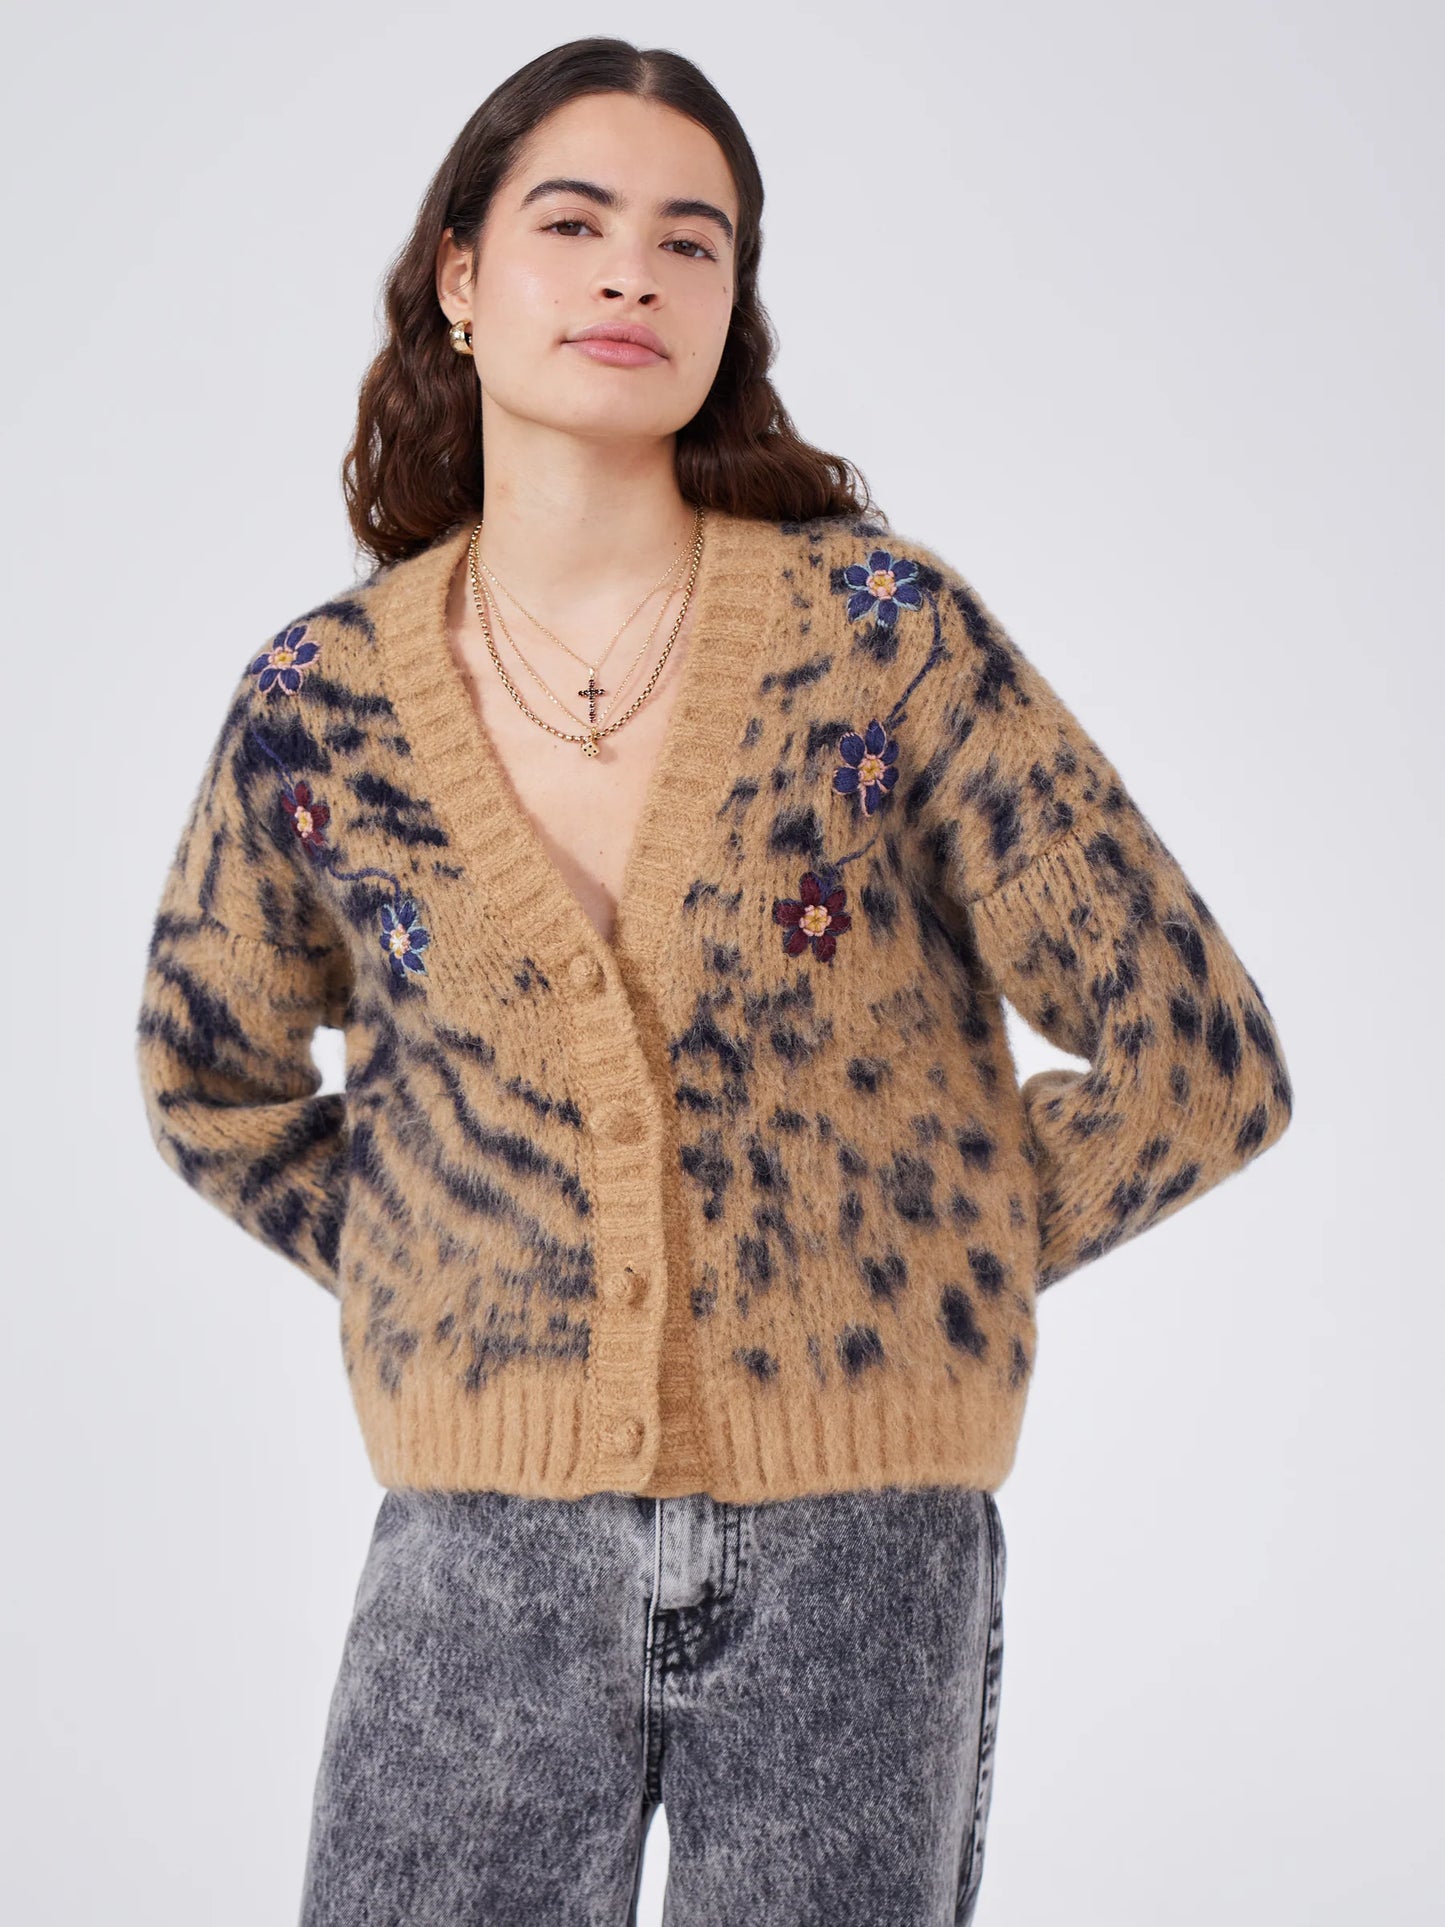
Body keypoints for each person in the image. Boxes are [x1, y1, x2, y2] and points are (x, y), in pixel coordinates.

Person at [133, 35, 1294, 1927]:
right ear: (458, 272)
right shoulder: (319, 702)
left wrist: (915, 1261)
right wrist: (460, 1267)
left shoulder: (884, 641)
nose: (631, 274)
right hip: (479, 1558)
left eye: (692, 241)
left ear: (732, 301)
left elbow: (1199, 1060)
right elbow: (214, 1082)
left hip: (860, 1556)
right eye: (572, 222)